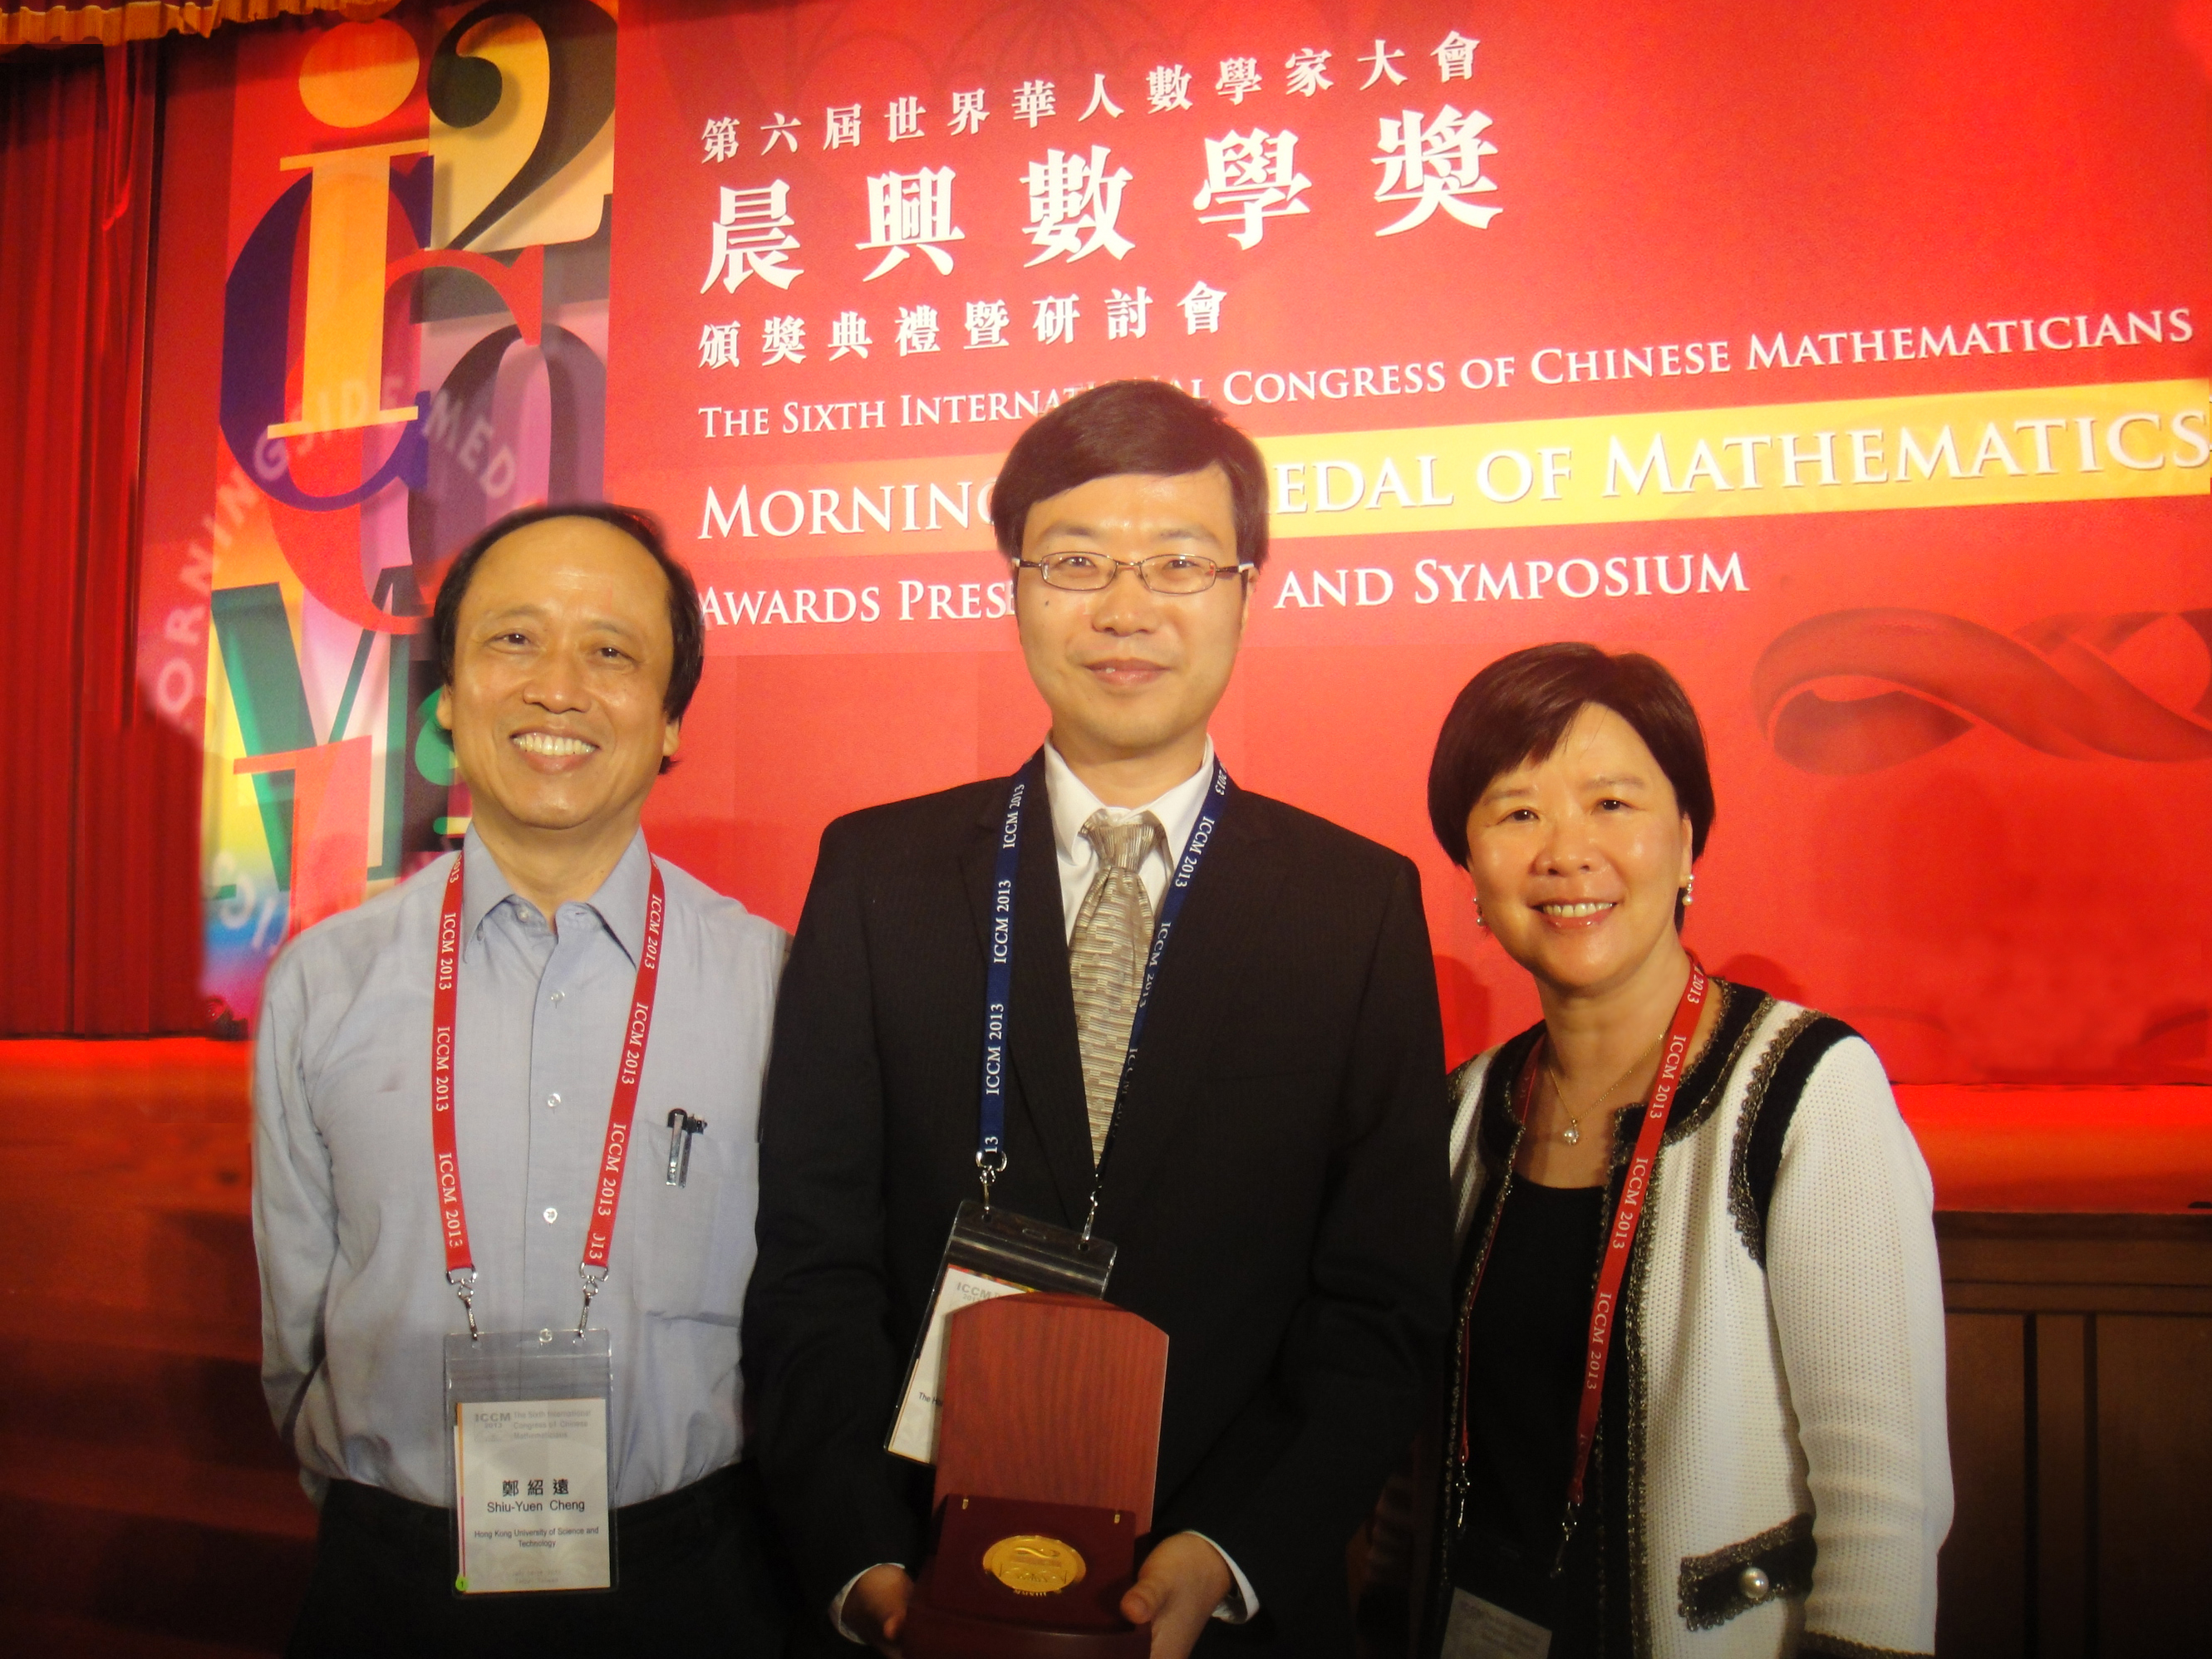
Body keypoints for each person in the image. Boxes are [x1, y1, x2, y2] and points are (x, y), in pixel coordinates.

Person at [743, 380, 1453, 1657]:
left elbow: (1379, 1303)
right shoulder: (878, 874)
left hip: (1223, 1608)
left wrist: (1230, 1549)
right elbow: (814, 1259)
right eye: (1075, 562)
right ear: (1015, 584)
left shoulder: (1354, 904)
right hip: (921, 1586)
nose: (1125, 608)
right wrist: (861, 1554)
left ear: (1247, 587)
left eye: (1179, 562)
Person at [252, 505, 792, 1655]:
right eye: (511, 641)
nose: (558, 687)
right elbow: (295, 1330)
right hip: (395, 1578)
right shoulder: (323, 983)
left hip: (689, 1575)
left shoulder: (775, 985)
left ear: (668, 721)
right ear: (447, 701)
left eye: (610, 650)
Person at [1402, 642, 1950, 1657]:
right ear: (1469, 865)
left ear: (1687, 837)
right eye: (1517, 811)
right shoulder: (1460, 1111)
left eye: (1612, 803)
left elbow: (1885, 1504)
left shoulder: (1805, 1089)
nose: (1566, 851)